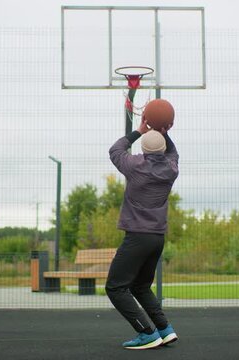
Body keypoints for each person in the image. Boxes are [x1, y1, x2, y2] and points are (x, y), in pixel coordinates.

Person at [106, 114, 179, 350]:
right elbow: (173, 153)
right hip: (157, 237)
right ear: (164, 148)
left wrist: (139, 130)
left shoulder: (135, 165)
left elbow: (116, 150)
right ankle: (165, 329)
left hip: (137, 236)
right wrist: (163, 129)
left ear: (144, 150)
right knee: (140, 286)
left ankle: (146, 332)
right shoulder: (171, 169)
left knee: (115, 287)